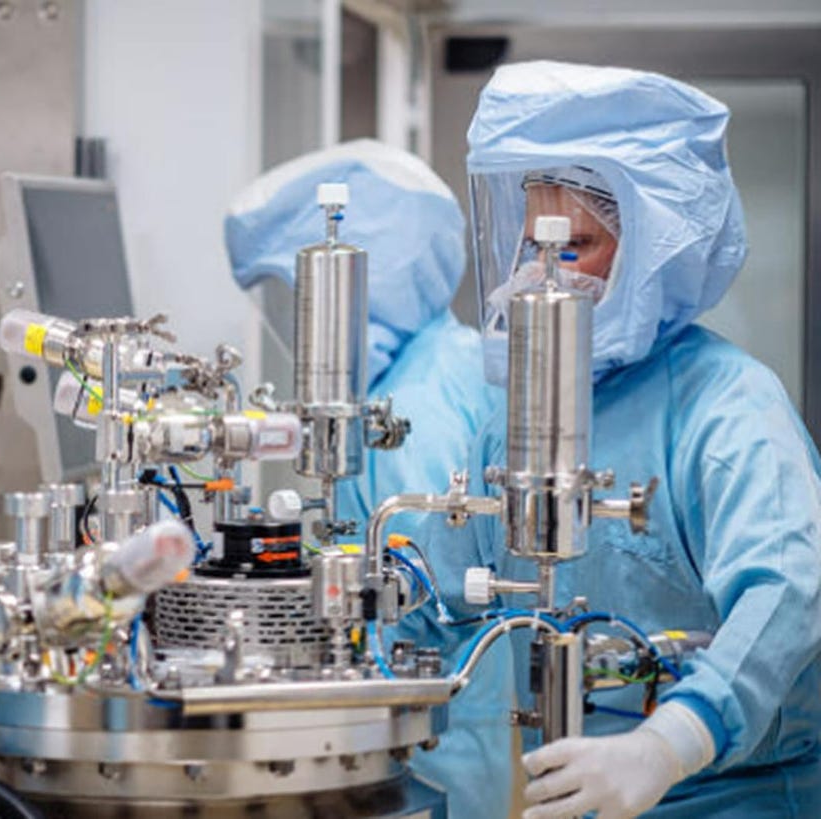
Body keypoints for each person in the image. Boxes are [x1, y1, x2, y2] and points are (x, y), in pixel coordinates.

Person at [424, 60, 821, 818]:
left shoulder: (728, 406)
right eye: (529, 245)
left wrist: (668, 742)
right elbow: (440, 598)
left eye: (572, 245)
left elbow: (787, 594)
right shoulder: (513, 418)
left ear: (654, 249)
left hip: (737, 797)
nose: (540, 275)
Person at [224, 138, 513, 819]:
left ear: (364, 280)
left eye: (298, 295)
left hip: (432, 750)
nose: (297, 322)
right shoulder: (445, 359)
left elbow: (420, 598)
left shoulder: (413, 408)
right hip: (451, 740)